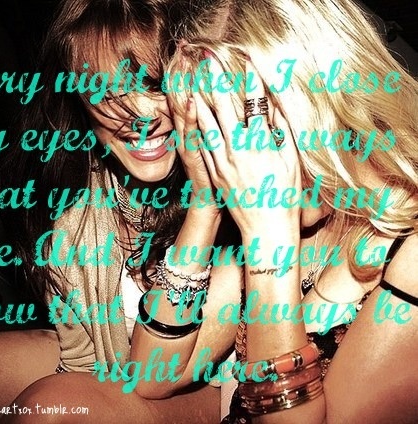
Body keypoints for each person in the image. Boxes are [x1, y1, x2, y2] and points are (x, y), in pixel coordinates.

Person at [0, 1, 241, 423]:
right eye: (106, 91)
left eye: (155, 84)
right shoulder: (79, 195)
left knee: (50, 408)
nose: (140, 117)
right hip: (109, 357)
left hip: (216, 384)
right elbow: (81, 354)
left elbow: (153, 377)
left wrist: (204, 206)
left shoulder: (240, 188)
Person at [164, 0, 418, 422]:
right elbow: (160, 374)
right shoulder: (314, 211)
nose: (238, 166)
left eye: (248, 135)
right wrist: (205, 203)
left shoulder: (411, 254)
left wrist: (268, 239)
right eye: (218, 140)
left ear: (324, 103)